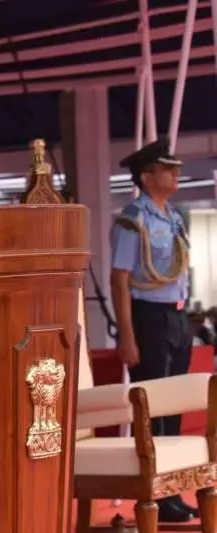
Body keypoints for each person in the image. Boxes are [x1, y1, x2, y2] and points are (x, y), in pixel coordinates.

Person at [110, 136, 195, 523]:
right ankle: (155, 494)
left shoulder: (172, 216)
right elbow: (119, 279)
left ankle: (173, 491)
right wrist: (126, 333)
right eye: (167, 168)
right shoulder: (133, 219)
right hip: (148, 316)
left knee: (174, 407)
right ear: (146, 177)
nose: (175, 173)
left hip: (177, 316)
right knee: (153, 409)